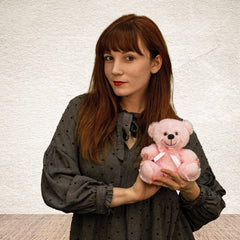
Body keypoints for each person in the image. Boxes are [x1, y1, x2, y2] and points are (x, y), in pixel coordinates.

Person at [41, 14, 226, 240]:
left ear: (155, 63)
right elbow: (57, 185)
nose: (115, 69)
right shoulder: (81, 111)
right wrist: (132, 194)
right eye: (109, 58)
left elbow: (212, 205)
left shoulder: (174, 130)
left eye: (129, 58)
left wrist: (188, 189)